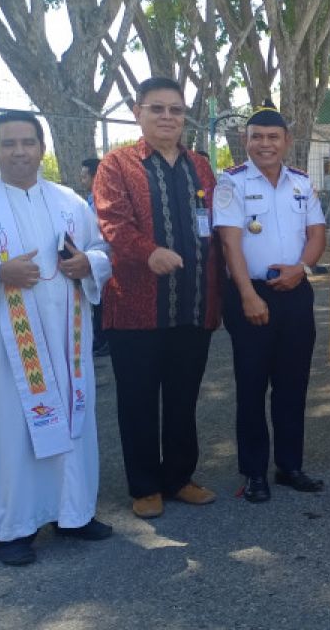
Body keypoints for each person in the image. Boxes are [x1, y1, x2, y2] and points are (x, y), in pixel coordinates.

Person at [0, 111, 113, 566]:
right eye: (8, 144)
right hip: (4, 351)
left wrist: (87, 264)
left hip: (66, 343)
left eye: (28, 142)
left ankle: (72, 513)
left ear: (42, 149)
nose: (19, 152)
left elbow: (100, 249)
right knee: (10, 433)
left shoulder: (71, 201)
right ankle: (9, 527)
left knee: (69, 418)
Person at [94, 76, 222, 519]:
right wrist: (150, 253)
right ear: (138, 111)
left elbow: (215, 226)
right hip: (135, 307)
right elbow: (112, 223)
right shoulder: (117, 165)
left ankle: (180, 478)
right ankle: (145, 485)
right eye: (158, 109)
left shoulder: (201, 167)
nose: (168, 117)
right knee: (139, 400)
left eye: (176, 110)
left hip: (193, 305)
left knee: (184, 398)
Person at [215, 103, 327, 502]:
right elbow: (230, 243)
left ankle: (289, 466)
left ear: (287, 142)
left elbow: (317, 233)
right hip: (252, 295)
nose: (265, 144)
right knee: (251, 385)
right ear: (246, 141)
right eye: (257, 137)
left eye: (272, 137)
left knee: (293, 385)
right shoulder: (230, 183)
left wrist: (302, 268)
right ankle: (254, 472)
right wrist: (247, 295)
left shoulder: (301, 183)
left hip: (295, 291)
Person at [78, 157, 108, 356]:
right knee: (97, 302)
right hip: (92, 256)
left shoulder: (103, 201)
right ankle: (99, 338)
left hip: (103, 256)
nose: (82, 180)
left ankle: (105, 340)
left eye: (84, 176)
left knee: (103, 302)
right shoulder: (89, 200)